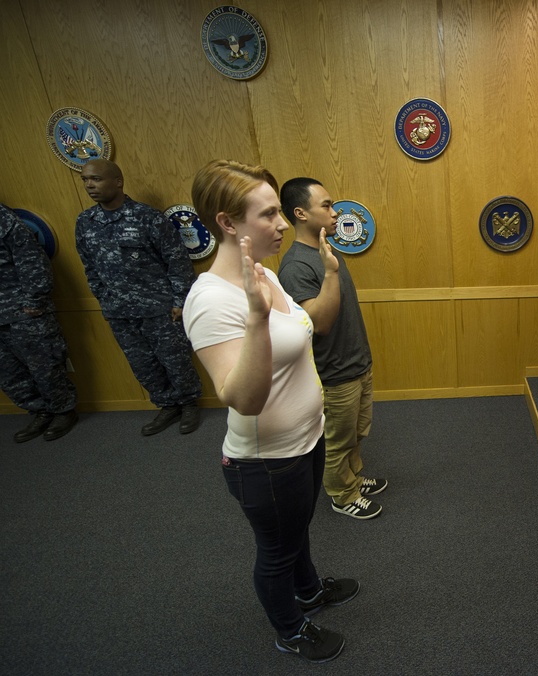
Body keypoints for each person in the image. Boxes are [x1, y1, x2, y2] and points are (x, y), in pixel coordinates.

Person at [184, 159, 359, 663]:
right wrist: (257, 320)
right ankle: (289, 628)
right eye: (267, 216)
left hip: (306, 440)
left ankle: (308, 590)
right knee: (277, 550)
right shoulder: (211, 298)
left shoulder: (264, 274)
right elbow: (242, 398)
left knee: (299, 528)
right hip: (265, 461)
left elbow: (306, 329)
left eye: (280, 213)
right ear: (226, 222)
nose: (282, 224)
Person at [278, 178, 385, 520]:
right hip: (334, 372)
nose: (335, 211)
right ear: (301, 214)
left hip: (356, 363)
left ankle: (352, 477)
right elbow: (319, 324)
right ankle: (342, 494)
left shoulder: (326, 250)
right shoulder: (297, 265)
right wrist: (328, 272)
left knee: (357, 429)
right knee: (337, 440)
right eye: (325, 205)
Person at [75, 159, 201, 435]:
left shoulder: (148, 217)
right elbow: (89, 266)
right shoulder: (85, 222)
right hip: (118, 311)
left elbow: (176, 261)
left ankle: (190, 404)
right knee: (142, 364)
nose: (89, 185)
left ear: (117, 182)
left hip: (159, 308)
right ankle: (166, 405)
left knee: (176, 359)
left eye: (95, 179)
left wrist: (180, 301)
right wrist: (103, 297)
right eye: (85, 180)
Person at [0, 204, 78, 442]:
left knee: (45, 364)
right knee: (8, 373)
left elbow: (32, 260)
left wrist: (33, 302)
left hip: (21, 310)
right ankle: (39, 411)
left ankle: (63, 410)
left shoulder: (5, 220)